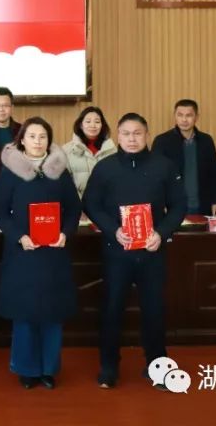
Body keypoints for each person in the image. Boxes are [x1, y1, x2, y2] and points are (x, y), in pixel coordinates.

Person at [82, 113, 185, 389]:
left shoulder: (164, 166)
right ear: (118, 136)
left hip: (152, 250)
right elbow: (91, 204)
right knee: (112, 308)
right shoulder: (105, 168)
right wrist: (112, 230)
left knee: (154, 310)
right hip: (117, 251)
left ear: (147, 135)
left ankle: (157, 365)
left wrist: (161, 233)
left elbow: (179, 205)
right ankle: (109, 367)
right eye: (126, 133)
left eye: (137, 133)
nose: (131, 139)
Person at [0, 117, 81, 390]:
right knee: (25, 312)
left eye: (43, 137)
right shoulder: (10, 171)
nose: (38, 142)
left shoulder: (59, 170)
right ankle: (27, 368)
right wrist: (19, 236)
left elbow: (74, 208)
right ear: (22, 140)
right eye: (32, 136)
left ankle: (48, 369)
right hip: (23, 252)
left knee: (52, 313)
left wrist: (66, 232)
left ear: (49, 140)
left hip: (53, 253)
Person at [151, 99, 216, 216]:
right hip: (172, 207)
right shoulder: (162, 141)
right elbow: (155, 176)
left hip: (202, 206)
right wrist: (160, 203)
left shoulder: (206, 141)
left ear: (196, 117)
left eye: (189, 115)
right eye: (180, 115)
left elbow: (214, 174)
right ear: (175, 116)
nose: (184, 120)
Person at [63, 106, 116, 198]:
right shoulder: (66, 150)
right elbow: (65, 183)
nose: (93, 125)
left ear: (102, 125)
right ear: (81, 125)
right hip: (78, 202)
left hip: (107, 202)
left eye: (97, 122)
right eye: (88, 121)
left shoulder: (112, 149)